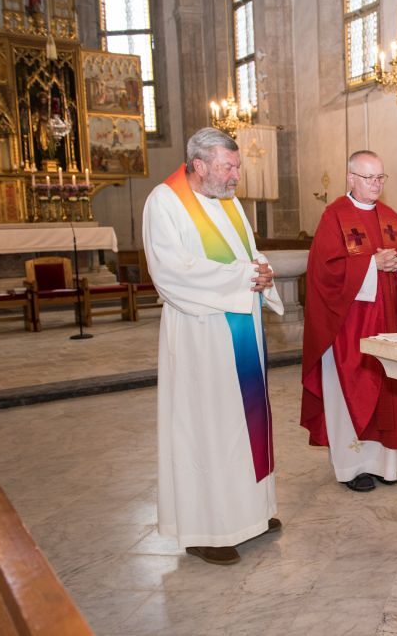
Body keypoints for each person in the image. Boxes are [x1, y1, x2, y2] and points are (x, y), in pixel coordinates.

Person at [143, 127, 284, 566]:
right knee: (207, 428)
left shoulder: (229, 201)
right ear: (199, 164)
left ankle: (251, 514)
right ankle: (206, 529)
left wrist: (263, 271)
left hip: (241, 330)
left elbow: (247, 254)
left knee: (243, 423)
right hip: (200, 335)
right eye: (228, 167)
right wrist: (244, 277)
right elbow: (171, 272)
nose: (236, 175)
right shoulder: (165, 202)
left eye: (237, 167)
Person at [301, 150, 397, 492]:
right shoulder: (335, 216)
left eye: (381, 177)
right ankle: (352, 468)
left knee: (387, 391)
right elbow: (324, 271)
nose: (377, 184)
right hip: (347, 329)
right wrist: (371, 265)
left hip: (389, 325)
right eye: (369, 178)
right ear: (351, 178)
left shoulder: (391, 218)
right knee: (353, 392)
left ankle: (386, 465)